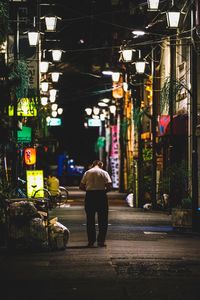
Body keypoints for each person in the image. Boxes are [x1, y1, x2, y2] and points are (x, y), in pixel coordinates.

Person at [79, 160, 112, 248]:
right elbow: (109, 186)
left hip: (90, 196)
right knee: (103, 219)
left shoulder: (87, 173)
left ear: (93, 165)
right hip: (101, 196)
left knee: (90, 219)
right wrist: (103, 192)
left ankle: (91, 241)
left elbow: (81, 186)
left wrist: (89, 190)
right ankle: (101, 241)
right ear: (101, 165)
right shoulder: (104, 173)